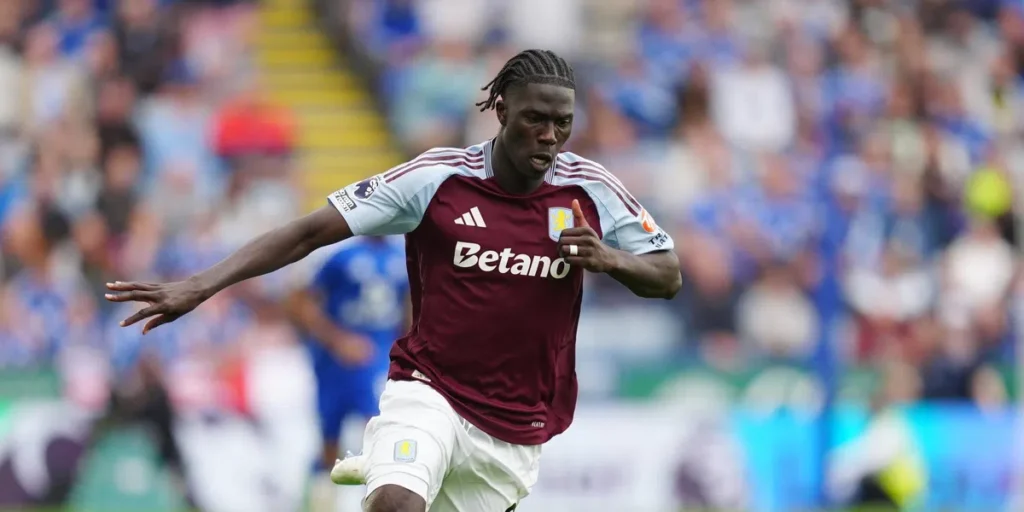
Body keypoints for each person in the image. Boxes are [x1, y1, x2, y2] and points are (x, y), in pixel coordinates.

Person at [105, 49, 682, 512]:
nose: (550, 136)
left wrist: (611, 260)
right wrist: (202, 285)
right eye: (535, 118)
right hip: (428, 390)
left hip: (514, 425)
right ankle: (389, 466)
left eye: (563, 123)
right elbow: (311, 232)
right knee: (398, 503)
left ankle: (381, 463)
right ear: (502, 109)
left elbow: (668, 274)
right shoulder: (437, 180)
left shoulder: (591, 189)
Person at [287, 235, 411, 510]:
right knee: (329, 442)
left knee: (383, 433)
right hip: (333, 364)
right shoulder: (335, 252)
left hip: (379, 360)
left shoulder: (403, 254)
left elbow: (409, 306)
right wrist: (337, 340)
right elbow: (299, 302)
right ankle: (316, 503)